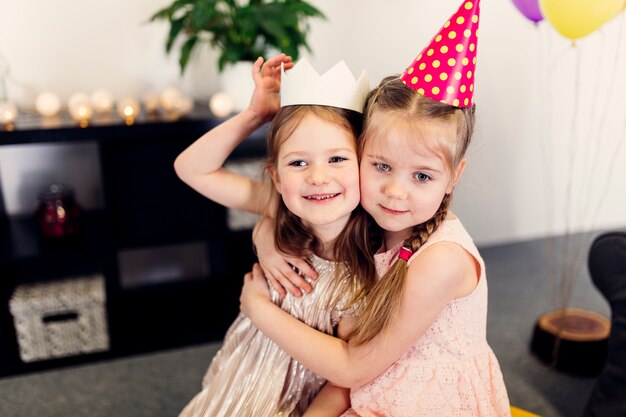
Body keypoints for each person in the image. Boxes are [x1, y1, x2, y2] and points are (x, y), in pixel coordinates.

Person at [240, 1, 512, 415]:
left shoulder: (441, 261)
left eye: (421, 176)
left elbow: (352, 367)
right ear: (358, 154)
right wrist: (266, 238)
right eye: (381, 166)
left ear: (454, 176)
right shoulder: (368, 214)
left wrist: (259, 309)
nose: (394, 192)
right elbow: (278, 208)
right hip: (368, 385)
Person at [173, 53, 375, 417]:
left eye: (337, 159)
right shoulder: (280, 205)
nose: (317, 177)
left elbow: (345, 379)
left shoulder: (372, 262)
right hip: (243, 378)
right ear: (277, 177)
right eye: (298, 162)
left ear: (365, 163)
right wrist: (255, 115)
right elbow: (191, 169)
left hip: (301, 402)